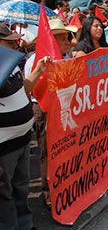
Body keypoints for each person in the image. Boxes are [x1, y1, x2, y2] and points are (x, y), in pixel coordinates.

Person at [0, 24, 51, 230]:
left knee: (20, 187)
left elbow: (25, 90)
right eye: (9, 41)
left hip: (20, 139)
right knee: (4, 191)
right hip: (3, 144)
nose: (15, 44)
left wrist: (38, 71)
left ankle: (24, 226)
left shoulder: (10, 66)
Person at [24, 19, 76, 205]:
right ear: (52, 40)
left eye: (66, 38)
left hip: (64, 108)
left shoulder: (66, 58)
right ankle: (49, 191)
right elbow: (31, 89)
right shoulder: (34, 61)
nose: (67, 42)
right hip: (44, 110)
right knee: (47, 150)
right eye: (62, 39)